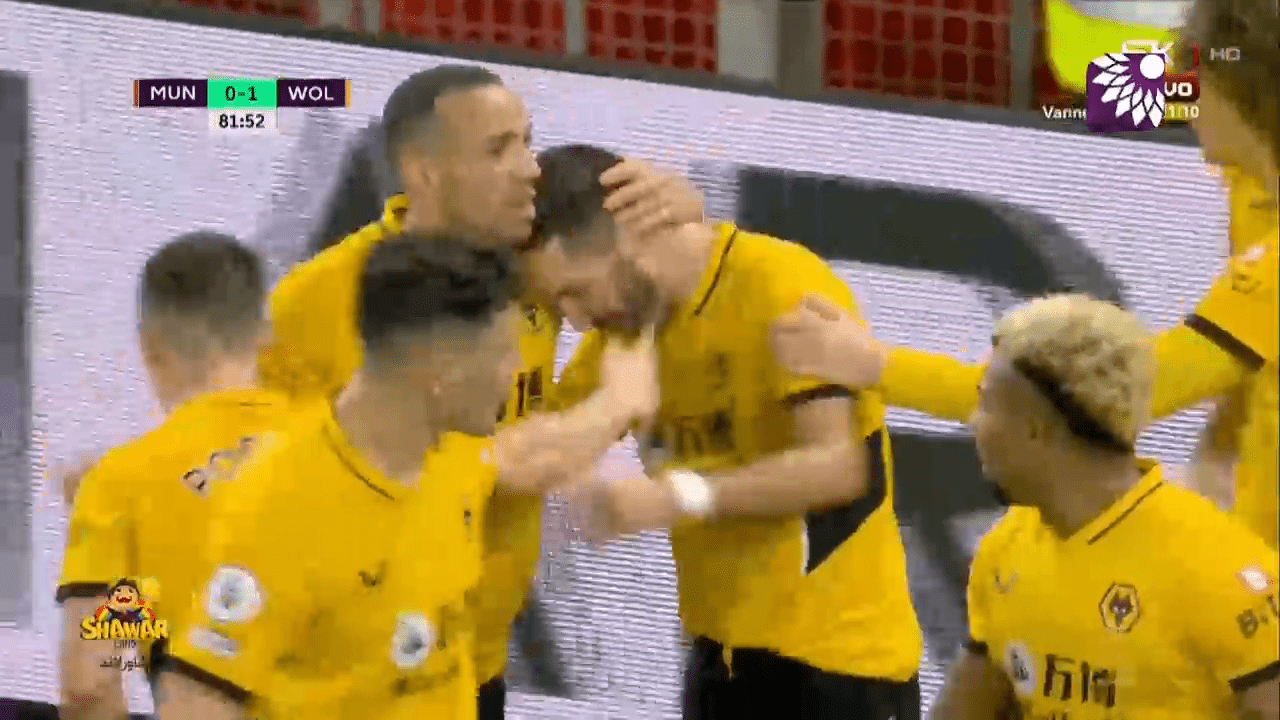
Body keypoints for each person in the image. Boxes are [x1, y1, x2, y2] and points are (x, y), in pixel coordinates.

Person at [256, 64, 698, 718]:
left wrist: (677, 220)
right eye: (498, 150)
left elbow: (627, 289)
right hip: (351, 683)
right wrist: (615, 407)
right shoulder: (316, 303)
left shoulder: (529, 271)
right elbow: (269, 498)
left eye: (527, 141)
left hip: (472, 667)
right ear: (426, 173)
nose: (529, 169)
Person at [771, 0, 1278, 550]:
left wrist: (871, 365)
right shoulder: (1249, 174)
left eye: (1195, 83)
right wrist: (1219, 447)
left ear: (1240, 97)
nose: (1180, 97)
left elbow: (1090, 395)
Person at [157, 234, 637, 719]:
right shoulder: (282, 503)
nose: (516, 369)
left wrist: (626, 388)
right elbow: (196, 702)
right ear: (441, 369)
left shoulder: (451, 458)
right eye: (501, 353)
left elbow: (534, 456)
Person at [525, 143, 923, 719]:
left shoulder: (778, 284)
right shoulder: (623, 336)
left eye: (578, 290)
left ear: (631, 233)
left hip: (840, 668)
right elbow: (541, 459)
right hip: (719, 663)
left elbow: (838, 467)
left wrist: (677, 495)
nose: (579, 319)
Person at [929, 293, 1280, 720]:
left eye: (985, 403)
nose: (974, 423)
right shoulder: (1007, 548)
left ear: (1035, 428)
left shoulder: (1217, 569)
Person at [56, 231, 291, 720]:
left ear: (149, 346)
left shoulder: (121, 483)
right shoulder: (350, 451)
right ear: (264, 334)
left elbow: (90, 685)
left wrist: (131, 553)